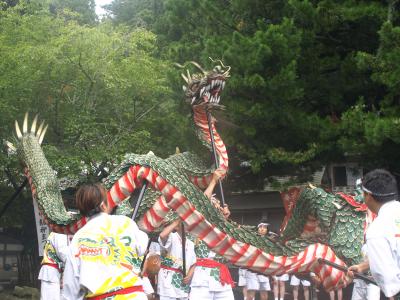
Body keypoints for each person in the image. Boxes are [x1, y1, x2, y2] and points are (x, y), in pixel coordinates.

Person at [62, 183, 149, 300]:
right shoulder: (125, 223)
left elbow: (70, 290)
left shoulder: (78, 238)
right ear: (103, 204)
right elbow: (142, 247)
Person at [347, 169, 400, 298]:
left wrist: (392, 294)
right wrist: (363, 267)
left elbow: (387, 280)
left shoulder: (377, 230)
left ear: (368, 196)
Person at [158, 218, 196, 300]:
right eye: (185, 223)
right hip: (168, 278)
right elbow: (162, 235)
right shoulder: (172, 237)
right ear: (176, 227)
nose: (188, 226)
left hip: (182, 280)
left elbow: (194, 263)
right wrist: (177, 221)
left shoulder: (191, 243)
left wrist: (189, 275)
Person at [39, 232, 71, 300]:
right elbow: (63, 254)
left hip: (54, 271)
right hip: (51, 272)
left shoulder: (57, 232)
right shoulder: (60, 233)